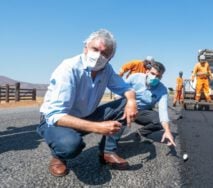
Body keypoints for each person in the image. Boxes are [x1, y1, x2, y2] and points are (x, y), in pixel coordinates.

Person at [37, 29, 138, 177]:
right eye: (95, 49)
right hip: (57, 121)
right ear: (85, 47)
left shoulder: (106, 69)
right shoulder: (68, 68)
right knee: (70, 145)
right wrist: (96, 127)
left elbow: (125, 88)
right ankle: (59, 156)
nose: (98, 56)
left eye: (104, 54)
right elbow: (55, 115)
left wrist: (132, 100)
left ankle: (107, 151)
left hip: (86, 115)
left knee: (124, 104)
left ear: (111, 57)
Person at [123, 61, 176, 146]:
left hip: (142, 112)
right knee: (116, 130)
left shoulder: (162, 90)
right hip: (126, 107)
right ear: (147, 71)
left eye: (158, 76)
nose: (155, 77)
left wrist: (167, 130)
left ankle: (140, 132)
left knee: (159, 121)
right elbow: (120, 92)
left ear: (161, 77)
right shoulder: (134, 78)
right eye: (153, 73)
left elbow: (163, 111)